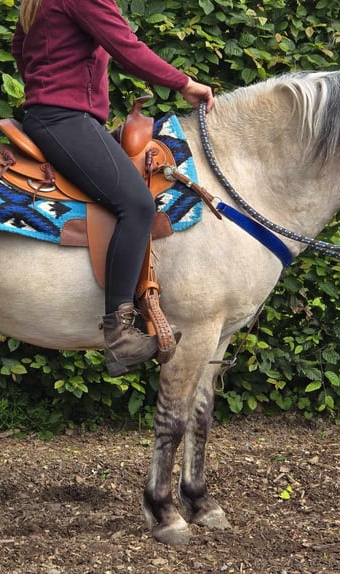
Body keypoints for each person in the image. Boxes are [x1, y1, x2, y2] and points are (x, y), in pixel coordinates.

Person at [12, 0, 214, 377]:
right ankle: (120, 334)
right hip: (66, 119)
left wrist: (44, 84)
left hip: (55, 116)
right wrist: (184, 83)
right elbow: (126, 48)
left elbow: (19, 48)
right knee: (137, 206)